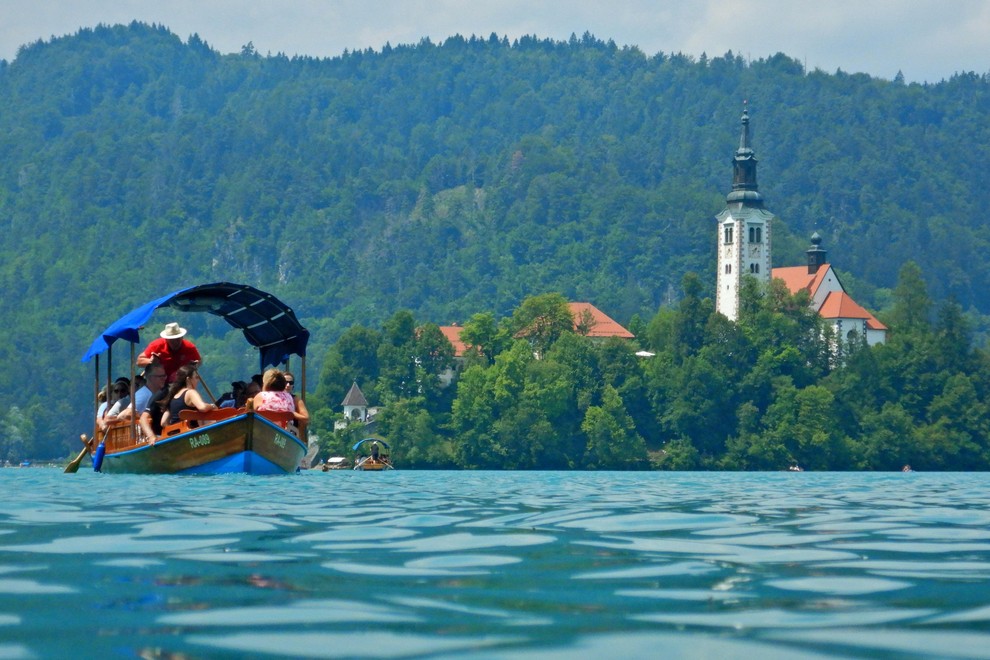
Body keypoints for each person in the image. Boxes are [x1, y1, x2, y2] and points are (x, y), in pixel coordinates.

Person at [137, 322, 202, 383]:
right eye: (172, 340)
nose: (175, 342)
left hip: (181, 384)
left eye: (177, 339)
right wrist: (151, 362)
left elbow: (198, 361)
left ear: (182, 337)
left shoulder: (189, 348)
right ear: (166, 339)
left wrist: (194, 365)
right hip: (158, 385)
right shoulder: (157, 346)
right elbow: (139, 362)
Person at [163, 364, 216, 429]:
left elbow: (163, 422)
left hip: (177, 435)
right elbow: (203, 407)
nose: (198, 380)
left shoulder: (173, 397)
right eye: (196, 377)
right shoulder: (190, 393)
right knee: (208, 413)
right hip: (192, 435)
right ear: (188, 379)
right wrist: (212, 406)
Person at [283, 371, 309, 436]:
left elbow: (306, 418)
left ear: (293, 385)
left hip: (291, 431)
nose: (288, 385)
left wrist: (292, 413)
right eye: (285, 382)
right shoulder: (274, 397)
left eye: (290, 383)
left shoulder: (296, 399)